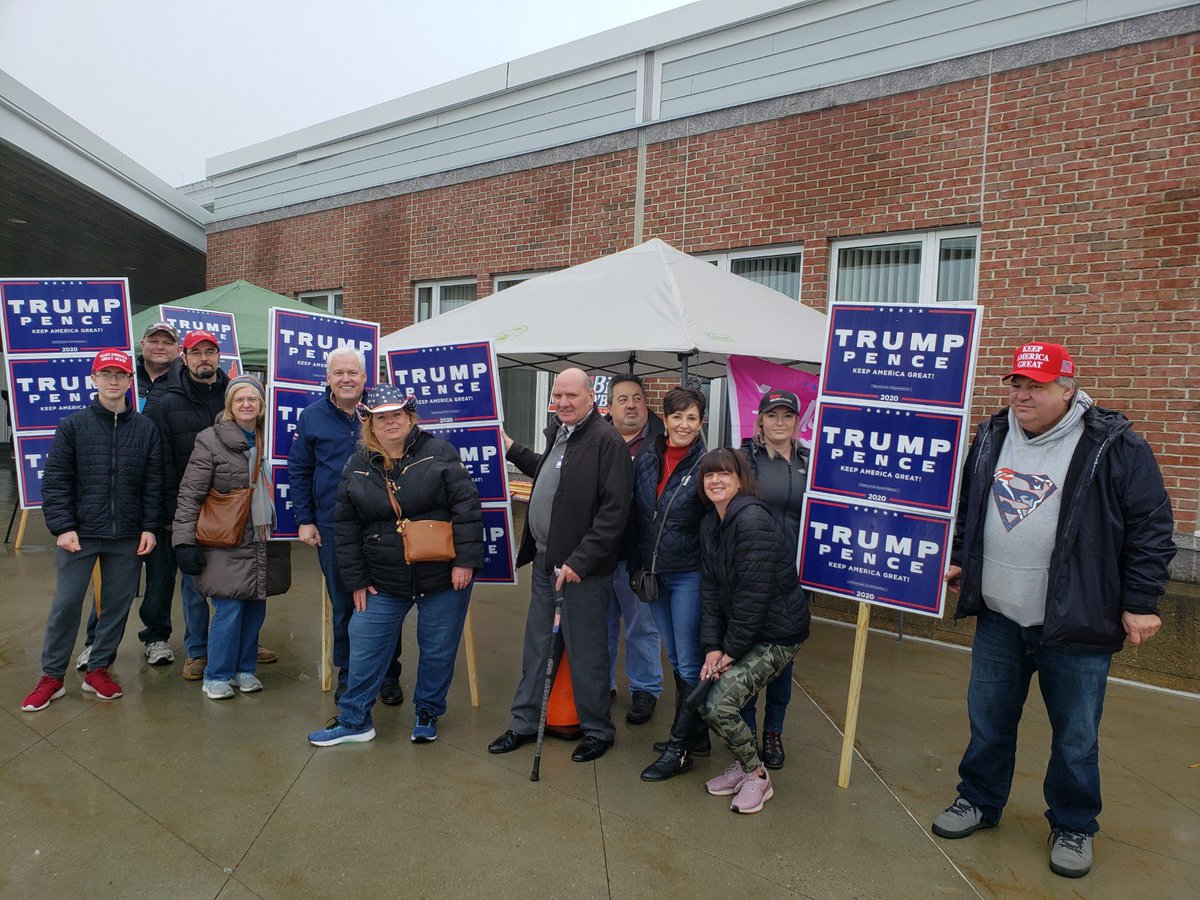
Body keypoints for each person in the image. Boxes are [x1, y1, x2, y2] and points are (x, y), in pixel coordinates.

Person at [932, 341, 1176, 879]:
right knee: (989, 723)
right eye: (1016, 383)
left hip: (1076, 620)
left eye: (1035, 386)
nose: (1022, 394)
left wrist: (1140, 601)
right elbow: (971, 505)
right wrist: (957, 559)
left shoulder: (1114, 445)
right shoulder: (994, 433)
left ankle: (1073, 823)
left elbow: (1152, 528)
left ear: (1068, 389)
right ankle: (979, 799)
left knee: (1075, 737)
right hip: (1000, 615)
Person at [307, 385, 481, 746]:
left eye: (396, 415)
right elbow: (346, 525)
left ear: (410, 416)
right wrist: (356, 580)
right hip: (382, 579)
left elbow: (467, 508)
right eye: (381, 417)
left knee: (437, 648)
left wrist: (465, 561)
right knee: (365, 641)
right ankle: (355, 720)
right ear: (367, 421)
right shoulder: (356, 464)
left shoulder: (439, 452)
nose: (390, 423)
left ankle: (428, 711)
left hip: (441, 575)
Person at [487, 367, 632, 763]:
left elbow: (614, 514)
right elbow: (553, 474)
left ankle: (598, 730)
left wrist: (579, 562)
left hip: (580, 572)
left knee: (586, 652)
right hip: (546, 563)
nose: (563, 402)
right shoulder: (561, 436)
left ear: (591, 399)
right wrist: (511, 448)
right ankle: (523, 722)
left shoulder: (608, 443)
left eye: (572, 395)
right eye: (558, 396)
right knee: (537, 645)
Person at [22, 349, 163, 711]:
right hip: (79, 535)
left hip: (128, 534)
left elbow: (153, 482)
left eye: (120, 375)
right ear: (94, 379)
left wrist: (149, 527)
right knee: (66, 604)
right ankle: (52, 677)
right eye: (106, 374)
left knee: (115, 606)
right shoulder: (74, 425)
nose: (113, 381)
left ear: (130, 381)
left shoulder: (145, 428)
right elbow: (55, 483)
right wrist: (63, 527)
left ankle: (98, 668)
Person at [689, 448, 810, 812]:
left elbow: (753, 597)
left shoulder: (752, 520)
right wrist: (712, 646)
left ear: (740, 480)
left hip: (778, 634)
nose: (716, 480)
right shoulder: (711, 523)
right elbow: (710, 592)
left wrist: (730, 652)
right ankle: (744, 765)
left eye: (725, 473)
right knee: (716, 703)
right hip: (747, 632)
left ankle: (757, 776)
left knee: (719, 704)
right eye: (709, 475)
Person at [288, 347, 404, 707]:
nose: (346, 379)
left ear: (365, 378)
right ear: (328, 379)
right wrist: (305, 520)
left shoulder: (382, 414)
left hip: (383, 524)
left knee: (386, 602)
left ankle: (388, 675)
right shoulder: (312, 417)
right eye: (338, 373)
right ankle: (349, 674)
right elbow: (299, 471)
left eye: (353, 372)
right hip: (332, 525)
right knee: (344, 604)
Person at [172, 376, 292, 700]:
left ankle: (244, 669)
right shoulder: (210, 440)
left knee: (256, 607)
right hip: (227, 538)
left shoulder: (272, 440)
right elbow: (190, 494)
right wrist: (183, 540)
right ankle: (217, 675)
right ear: (229, 404)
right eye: (239, 399)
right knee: (229, 608)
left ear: (262, 404)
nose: (246, 404)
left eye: (253, 399)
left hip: (264, 536)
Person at [79, 321, 182, 667]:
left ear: (177, 349)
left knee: (160, 576)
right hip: (116, 498)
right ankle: (97, 642)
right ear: (143, 344)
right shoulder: (121, 375)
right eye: (154, 340)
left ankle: (156, 636)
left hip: (162, 495)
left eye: (167, 342)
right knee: (113, 579)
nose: (160, 346)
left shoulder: (186, 382)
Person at [633, 387, 709, 779]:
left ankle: (680, 749)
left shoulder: (707, 465)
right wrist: (635, 564)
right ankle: (695, 734)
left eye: (691, 418)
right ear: (664, 419)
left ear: (702, 423)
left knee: (689, 659)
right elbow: (636, 515)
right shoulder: (648, 457)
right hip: (653, 573)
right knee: (676, 658)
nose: (683, 425)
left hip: (689, 574)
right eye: (677, 417)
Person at [736, 388, 810, 770]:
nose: (780, 422)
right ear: (760, 420)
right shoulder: (745, 461)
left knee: (782, 662)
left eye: (787, 416)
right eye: (772, 415)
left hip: (795, 581)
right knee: (749, 656)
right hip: (753, 577)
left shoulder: (809, 462)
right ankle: (746, 728)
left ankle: (773, 731)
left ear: (797, 422)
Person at [604, 373, 664, 725]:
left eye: (637, 398)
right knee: (602, 625)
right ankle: (603, 684)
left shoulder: (659, 446)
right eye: (623, 399)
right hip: (599, 555)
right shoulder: (594, 443)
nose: (631, 405)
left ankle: (645, 689)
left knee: (642, 627)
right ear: (609, 407)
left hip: (639, 558)